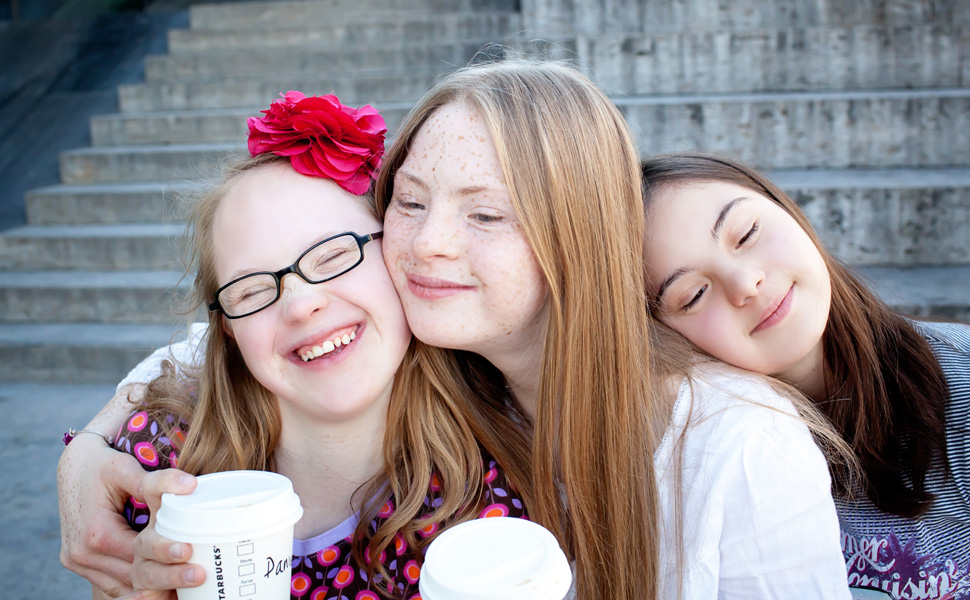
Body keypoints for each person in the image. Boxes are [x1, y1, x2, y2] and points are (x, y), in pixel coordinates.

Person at [60, 61, 852, 599]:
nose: (428, 243)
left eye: (486, 213)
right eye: (409, 201)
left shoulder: (741, 451)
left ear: (576, 240)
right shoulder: (443, 354)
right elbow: (235, 335)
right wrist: (88, 458)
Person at [65, 91, 527, 600]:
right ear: (228, 330)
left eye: (333, 256)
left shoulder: (487, 508)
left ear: (400, 256)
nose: (301, 304)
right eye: (253, 290)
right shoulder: (158, 466)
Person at [639, 152, 970, 599]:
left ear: (786, 208)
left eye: (747, 233)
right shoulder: (707, 466)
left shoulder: (960, 379)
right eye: (694, 294)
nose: (745, 282)